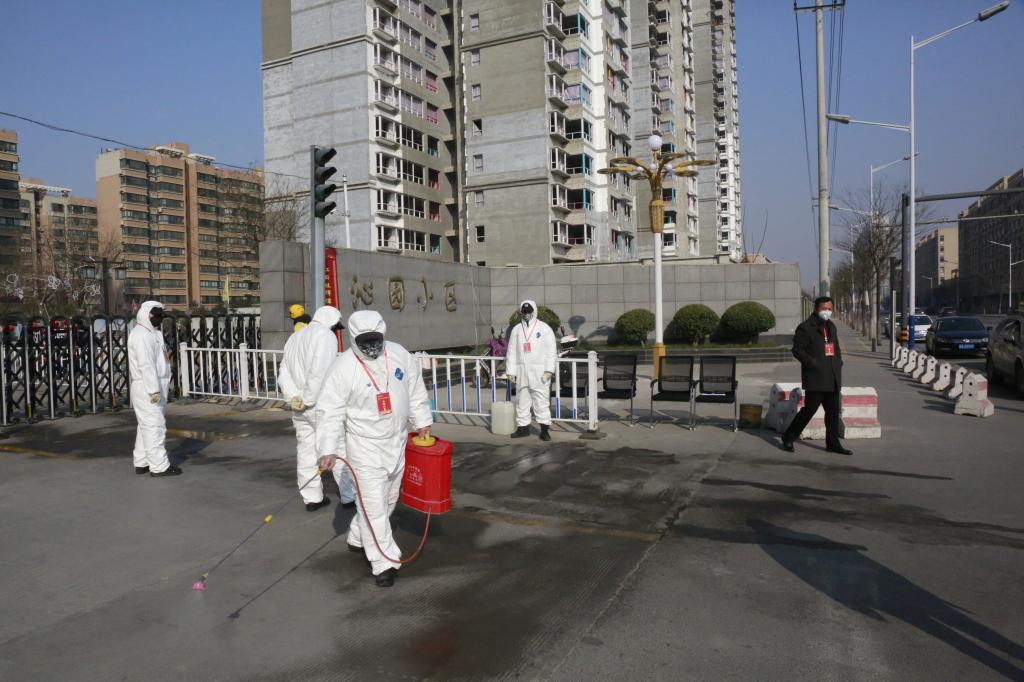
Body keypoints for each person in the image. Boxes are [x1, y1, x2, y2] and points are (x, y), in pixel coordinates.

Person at [316, 310, 432, 588]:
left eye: (375, 339)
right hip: (364, 446)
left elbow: (414, 388)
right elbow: (329, 411)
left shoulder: (398, 354)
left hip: (397, 441)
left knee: (389, 499)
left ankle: (358, 536)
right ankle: (384, 563)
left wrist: (422, 421)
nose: (371, 346)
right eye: (365, 341)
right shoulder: (342, 368)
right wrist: (327, 449)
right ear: (354, 339)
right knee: (373, 506)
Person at [278, 305, 355, 512]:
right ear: (331, 323)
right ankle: (349, 496)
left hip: (299, 407)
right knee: (337, 447)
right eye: (336, 328)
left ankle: (312, 498)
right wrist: (308, 398)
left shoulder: (295, 337)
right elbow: (319, 371)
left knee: (306, 451)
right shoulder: (325, 336)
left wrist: (293, 397)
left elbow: (284, 371)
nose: (336, 332)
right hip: (320, 405)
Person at [781, 296, 853, 456]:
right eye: (824, 308)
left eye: (829, 308)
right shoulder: (805, 328)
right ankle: (788, 437)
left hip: (833, 376)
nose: (827, 311)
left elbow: (836, 347)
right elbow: (797, 350)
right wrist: (812, 363)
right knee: (809, 410)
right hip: (816, 377)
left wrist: (838, 362)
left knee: (833, 413)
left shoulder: (831, 326)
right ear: (816, 309)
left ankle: (833, 443)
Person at [127, 301, 180, 477]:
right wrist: (153, 390)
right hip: (147, 387)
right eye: (156, 314)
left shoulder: (151, 333)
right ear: (146, 314)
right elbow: (146, 364)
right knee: (154, 426)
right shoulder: (142, 335)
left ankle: (142, 461)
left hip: (152, 385)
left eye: (160, 315)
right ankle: (159, 466)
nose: (158, 318)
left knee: (146, 425)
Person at [505, 300, 557, 441]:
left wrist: (549, 370)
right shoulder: (516, 330)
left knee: (541, 402)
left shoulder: (544, 328)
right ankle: (523, 429)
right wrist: (511, 371)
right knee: (522, 402)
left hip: (540, 373)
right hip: (522, 372)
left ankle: (544, 430)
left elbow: (551, 351)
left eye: (529, 311)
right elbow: (511, 352)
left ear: (534, 312)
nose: (526, 314)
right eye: (524, 312)